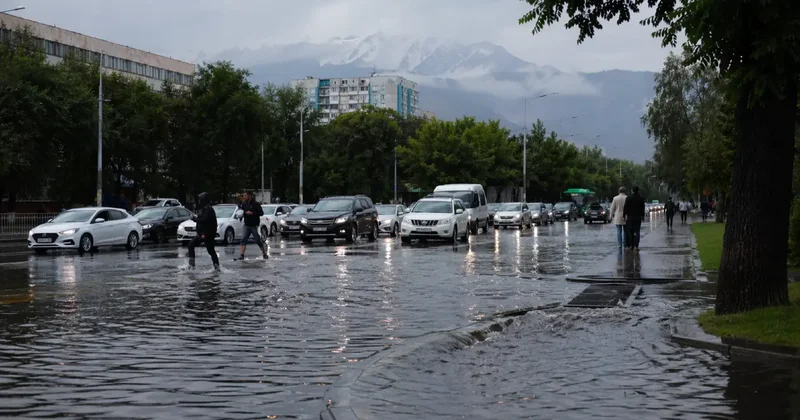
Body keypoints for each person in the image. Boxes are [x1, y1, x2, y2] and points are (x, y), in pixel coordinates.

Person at [188, 192, 220, 270]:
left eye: (200, 200)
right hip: (203, 233)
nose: (199, 201)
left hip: (206, 234)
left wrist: (194, 219)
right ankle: (192, 265)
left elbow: (203, 220)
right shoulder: (204, 208)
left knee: (210, 250)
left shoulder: (208, 209)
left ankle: (217, 267)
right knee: (191, 245)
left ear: (203, 200)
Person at [237, 191, 268, 260]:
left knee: (257, 240)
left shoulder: (256, 204)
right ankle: (242, 255)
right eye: (243, 196)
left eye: (245, 196)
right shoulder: (244, 204)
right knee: (243, 239)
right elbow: (241, 211)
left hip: (254, 225)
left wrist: (252, 213)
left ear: (250, 196)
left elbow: (261, 213)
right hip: (246, 225)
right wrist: (242, 214)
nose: (244, 197)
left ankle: (264, 253)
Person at [623, 186, 646, 251]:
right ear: (638, 191)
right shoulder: (641, 198)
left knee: (630, 232)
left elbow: (625, 207)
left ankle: (630, 245)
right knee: (637, 231)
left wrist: (624, 216)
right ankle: (636, 246)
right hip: (638, 217)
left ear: (632, 191)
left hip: (630, 217)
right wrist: (643, 216)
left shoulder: (628, 198)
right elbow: (642, 208)